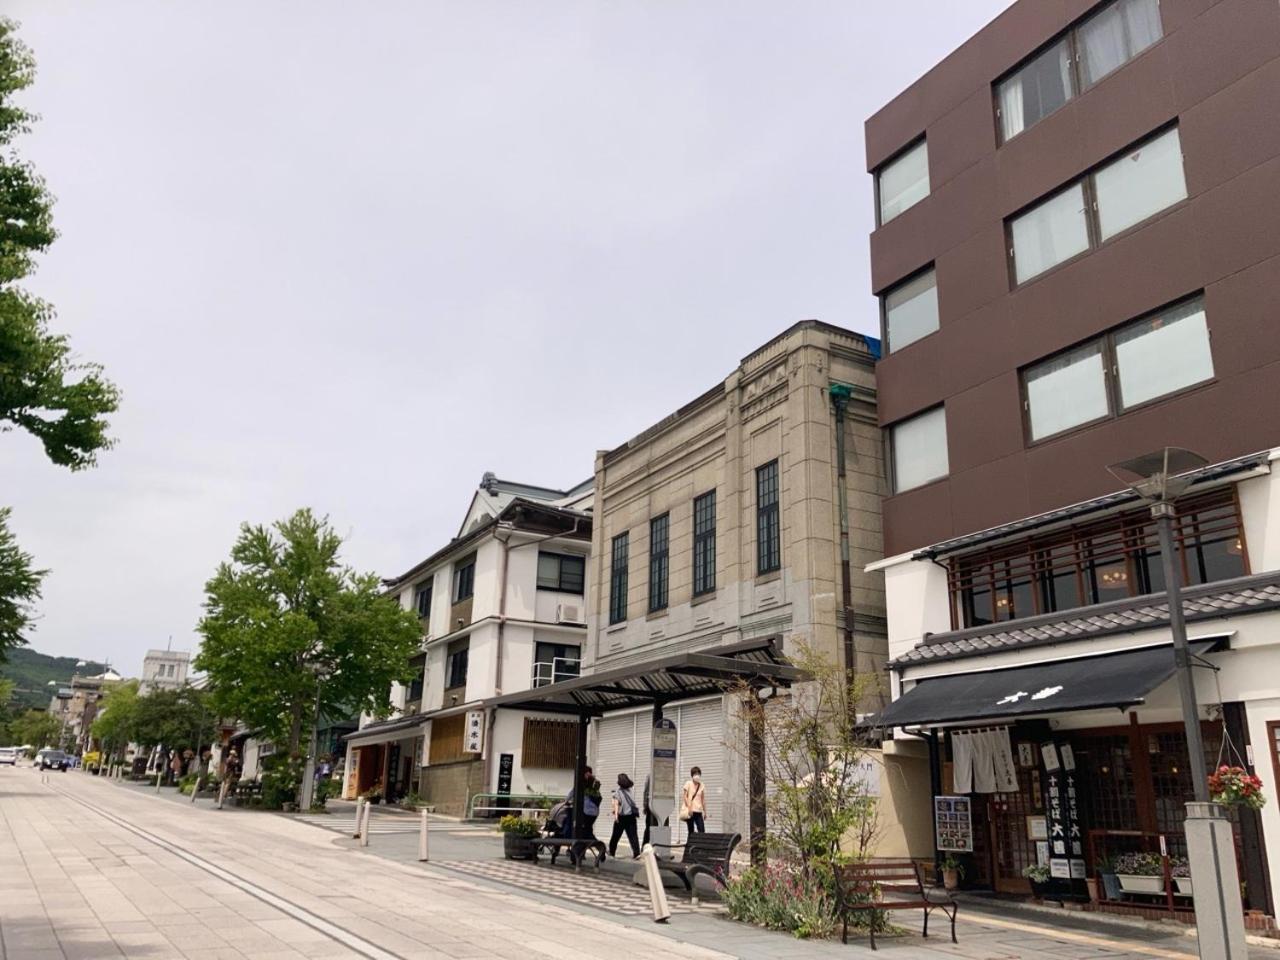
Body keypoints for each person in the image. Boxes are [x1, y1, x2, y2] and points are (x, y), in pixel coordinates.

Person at [608, 773, 641, 859]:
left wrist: (616, 817)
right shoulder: (630, 791)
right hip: (631, 817)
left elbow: (616, 805)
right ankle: (637, 853)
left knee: (615, 836)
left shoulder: (617, 792)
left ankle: (611, 852)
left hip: (621, 817)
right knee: (633, 836)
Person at [680, 766, 706, 834]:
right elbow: (685, 796)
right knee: (691, 831)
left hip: (698, 811)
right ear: (692, 775)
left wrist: (705, 812)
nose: (697, 776)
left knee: (701, 830)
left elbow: (702, 799)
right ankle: (689, 844)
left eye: (698, 774)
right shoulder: (688, 783)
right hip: (690, 811)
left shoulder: (701, 785)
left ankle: (699, 844)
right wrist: (689, 808)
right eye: (695, 774)